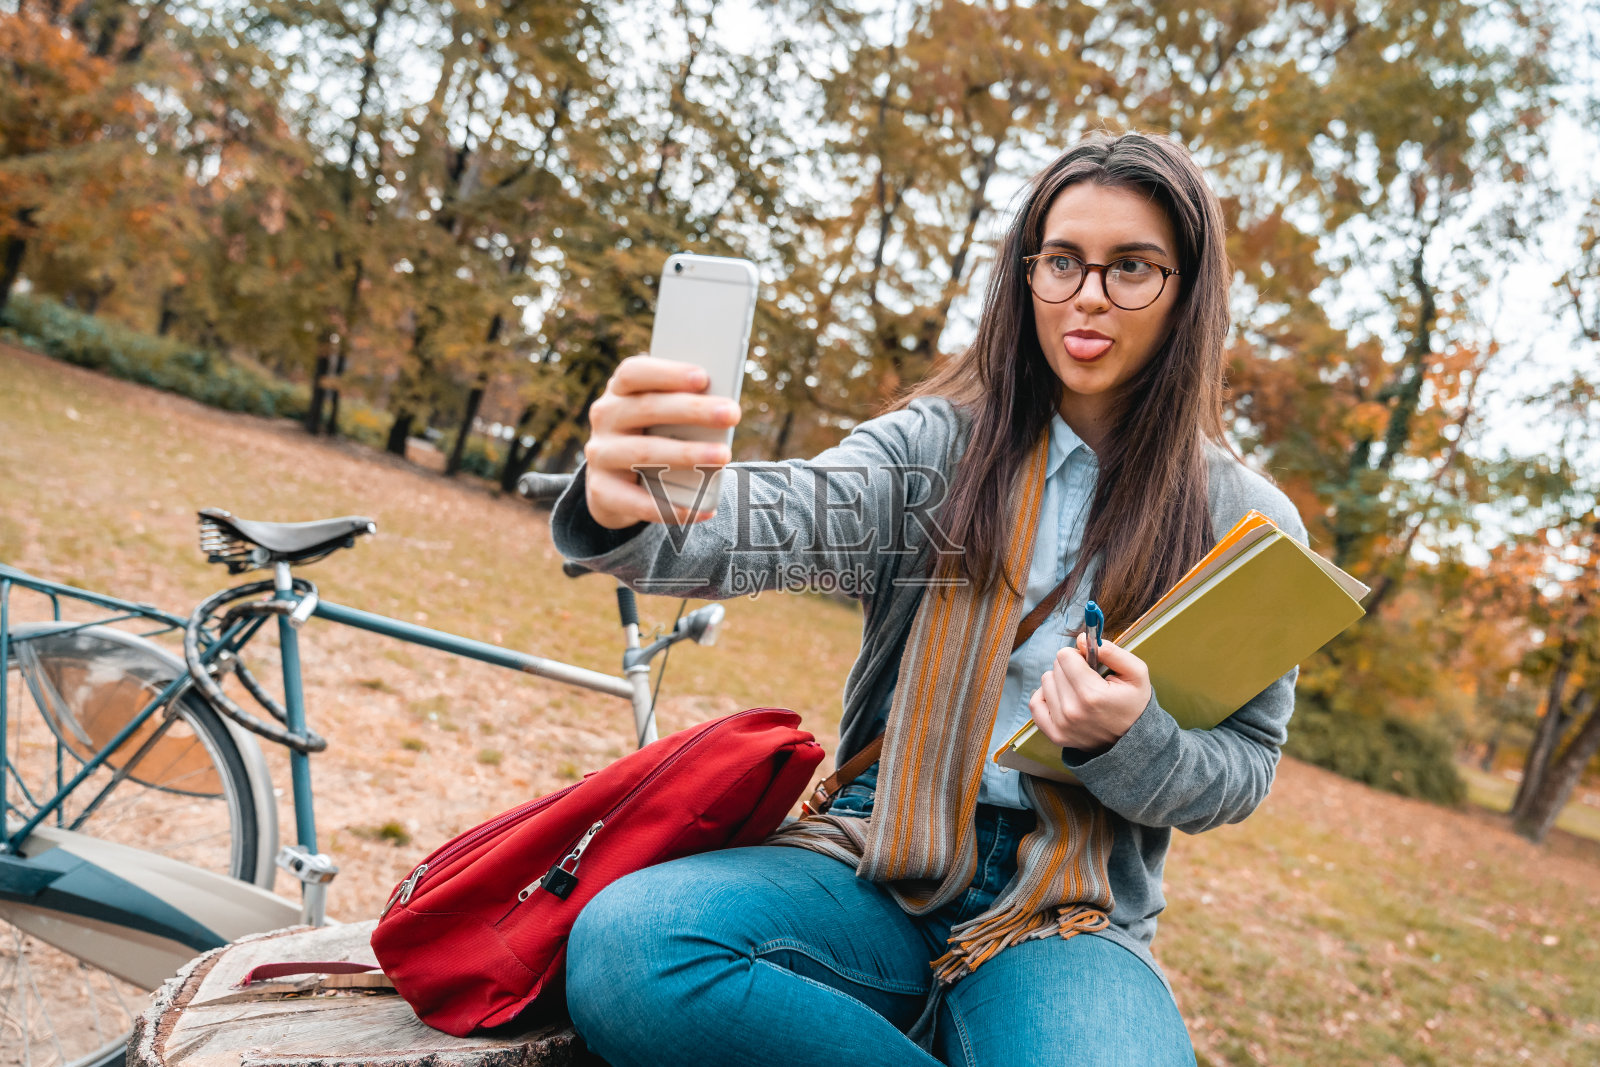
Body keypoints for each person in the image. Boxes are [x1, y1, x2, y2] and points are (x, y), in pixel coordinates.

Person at [550, 131, 1306, 1067]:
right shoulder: (934, 447)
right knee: (635, 950)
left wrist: (1131, 737)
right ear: (1027, 273)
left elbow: (1243, 766)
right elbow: (787, 516)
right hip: (877, 849)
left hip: (1070, 907)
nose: (1088, 296)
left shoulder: (1245, 520)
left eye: (1133, 268)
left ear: (1189, 291)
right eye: (1062, 261)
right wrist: (635, 499)